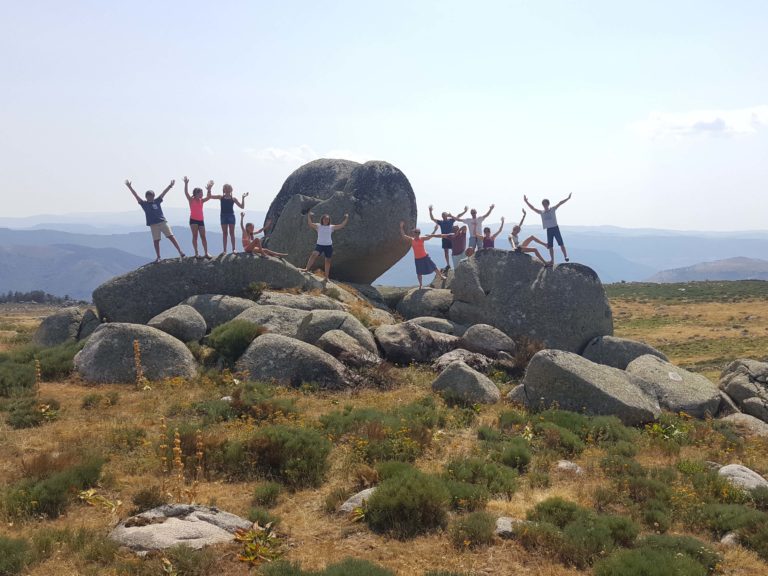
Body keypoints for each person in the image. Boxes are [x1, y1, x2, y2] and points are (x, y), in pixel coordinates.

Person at [125, 179, 185, 262]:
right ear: (146, 197)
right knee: (156, 241)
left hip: (162, 222)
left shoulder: (157, 201)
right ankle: (158, 257)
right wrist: (129, 187)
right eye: (148, 196)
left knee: (171, 236)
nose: (150, 197)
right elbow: (136, 195)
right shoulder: (144, 203)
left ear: (153, 196)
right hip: (153, 225)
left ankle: (180, 252)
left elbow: (163, 193)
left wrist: (170, 186)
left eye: (151, 196)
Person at [524, 193, 572, 264]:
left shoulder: (552, 209)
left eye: (545, 204)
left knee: (561, 243)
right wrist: (526, 201)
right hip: (549, 229)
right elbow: (533, 208)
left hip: (555, 228)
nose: (544, 205)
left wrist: (568, 198)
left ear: (548, 204)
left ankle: (566, 256)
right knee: (550, 246)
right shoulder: (542, 212)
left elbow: (560, 203)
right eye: (543, 204)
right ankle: (552, 260)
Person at [399, 221, 449, 289]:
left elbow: (430, 237)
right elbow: (403, 236)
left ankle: (441, 277)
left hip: (425, 256)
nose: (417, 234)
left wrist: (435, 229)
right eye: (415, 232)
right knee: (419, 272)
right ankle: (420, 285)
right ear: (413, 233)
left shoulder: (421, 239)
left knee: (434, 266)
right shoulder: (412, 240)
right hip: (417, 259)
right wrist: (401, 227)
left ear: (419, 233)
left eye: (418, 232)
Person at [303, 211, 350, 280]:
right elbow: (310, 224)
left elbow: (341, 225)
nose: (326, 220)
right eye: (324, 219)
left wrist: (346, 218)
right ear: (322, 220)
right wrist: (309, 216)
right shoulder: (318, 226)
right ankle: (306, 269)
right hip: (320, 245)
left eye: (327, 219)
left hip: (328, 246)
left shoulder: (331, 227)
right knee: (314, 255)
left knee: (328, 261)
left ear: (329, 220)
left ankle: (326, 277)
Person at [207, 184, 248, 254]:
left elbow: (242, 206)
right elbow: (209, 196)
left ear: (231, 189)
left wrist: (243, 198)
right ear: (223, 190)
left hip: (231, 216)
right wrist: (209, 189)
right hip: (223, 216)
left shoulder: (233, 199)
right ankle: (225, 250)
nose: (227, 189)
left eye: (228, 188)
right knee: (225, 233)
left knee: (232, 233)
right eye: (225, 188)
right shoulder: (221, 197)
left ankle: (234, 249)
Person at [428, 204, 468, 270]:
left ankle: (457, 263)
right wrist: (430, 211)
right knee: (446, 251)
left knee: (454, 250)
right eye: (443, 216)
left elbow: (458, 216)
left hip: (452, 237)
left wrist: (465, 211)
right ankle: (448, 265)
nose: (444, 217)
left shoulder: (451, 220)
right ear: (442, 216)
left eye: (445, 215)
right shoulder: (441, 222)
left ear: (447, 216)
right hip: (445, 237)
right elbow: (432, 218)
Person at [184, 176, 213, 258]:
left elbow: (209, 197)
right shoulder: (191, 200)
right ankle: (196, 253)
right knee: (195, 236)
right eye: (200, 193)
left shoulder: (201, 201)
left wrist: (209, 189)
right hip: (193, 220)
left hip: (201, 220)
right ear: (196, 193)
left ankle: (206, 253)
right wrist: (186, 184)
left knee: (203, 237)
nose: (202, 194)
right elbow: (186, 193)